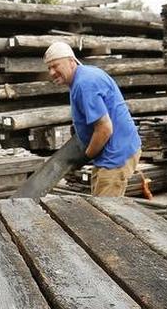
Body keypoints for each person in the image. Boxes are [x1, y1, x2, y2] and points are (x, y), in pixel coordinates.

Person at [43, 41, 141, 197]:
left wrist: (85, 156)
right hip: (109, 152)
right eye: (49, 68)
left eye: (55, 65)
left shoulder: (84, 83)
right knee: (98, 204)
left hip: (116, 153)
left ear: (71, 61)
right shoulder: (82, 78)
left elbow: (104, 129)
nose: (52, 72)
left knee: (106, 213)